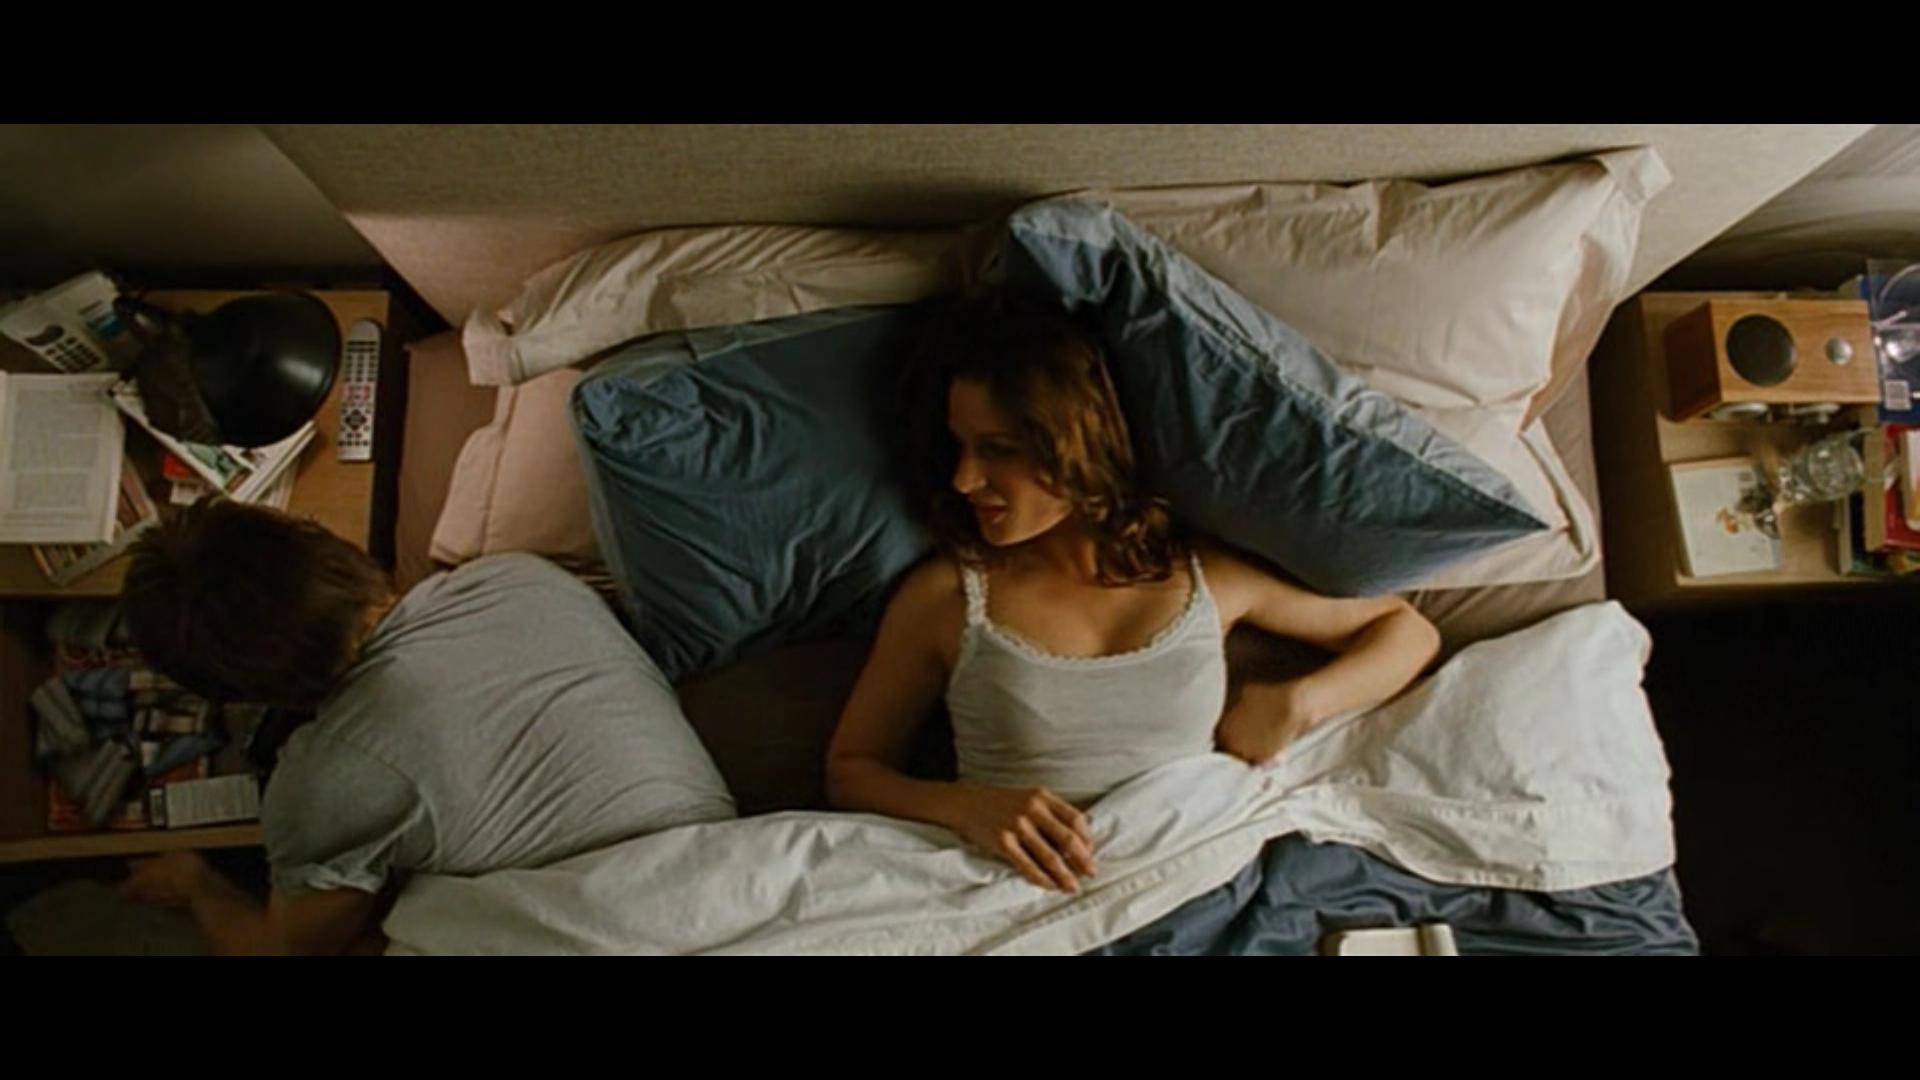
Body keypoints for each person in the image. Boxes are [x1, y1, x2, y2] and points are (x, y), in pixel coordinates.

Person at [825, 289, 1440, 894]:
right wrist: (967, 807)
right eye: (960, 447)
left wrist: (1300, 702)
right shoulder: (948, 597)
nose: (964, 479)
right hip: (1017, 890)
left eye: (997, 451)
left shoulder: (1205, 576)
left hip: (1188, 876)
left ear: (1074, 445)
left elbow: (1407, 633)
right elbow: (851, 771)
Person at [116, 499, 734, 953]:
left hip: (620, 927)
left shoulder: (327, 780)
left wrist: (196, 885)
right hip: (723, 886)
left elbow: (285, 950)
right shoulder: (517, 575)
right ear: (324, 546)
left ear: (247, 691)